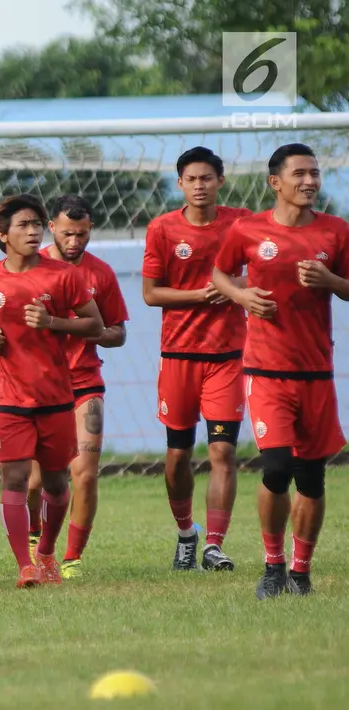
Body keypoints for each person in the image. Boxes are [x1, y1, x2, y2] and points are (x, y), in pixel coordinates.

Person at [212, 143, 349, 599]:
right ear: (276, 182)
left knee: (312, 477)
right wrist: (242, 296)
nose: (309, 181)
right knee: (276, 468)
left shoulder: (336, 231)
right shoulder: (247, 230)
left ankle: (301, 572)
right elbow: (220, 274)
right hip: (266, 371)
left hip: (316, 373)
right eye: (300, 174)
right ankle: (272, 566)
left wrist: (331, 283)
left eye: (315, 173)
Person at [0, 194, 103, 588]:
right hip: (7, 396)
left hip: (56, 394)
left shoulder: (62, 276)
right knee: (15, 478)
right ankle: (25, 565)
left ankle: (46, 554)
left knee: (58, 483)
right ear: (2, 234)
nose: (34, 230)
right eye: (24, 225)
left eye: (38, 224)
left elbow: (94, 325)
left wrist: (54, 322)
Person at [142, 147, 253, 572]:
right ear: (180, 184)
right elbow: (152, 293)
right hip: (179, 357)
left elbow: (262, 271)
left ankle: (215, 545)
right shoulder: (163, 229)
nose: (200, 185)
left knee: (223, 452)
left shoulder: (240, 222)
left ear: (220, 182)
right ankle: (186, 532)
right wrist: (200, 294)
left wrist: (231, 286)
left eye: (207, 178)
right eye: (192, 179)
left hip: (227, 356)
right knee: (177, 457)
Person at [28, 195, 129, 579]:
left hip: (85, 384)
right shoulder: (29, 266)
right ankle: (36, 540)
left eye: (82, 234)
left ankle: (71, 558)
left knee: (84, 473)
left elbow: (119, 332)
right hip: (37, 388)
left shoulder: (100, 274)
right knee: (33, 481)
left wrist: (95, 331)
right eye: (68, 233)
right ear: (51, 228)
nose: (75, 241)